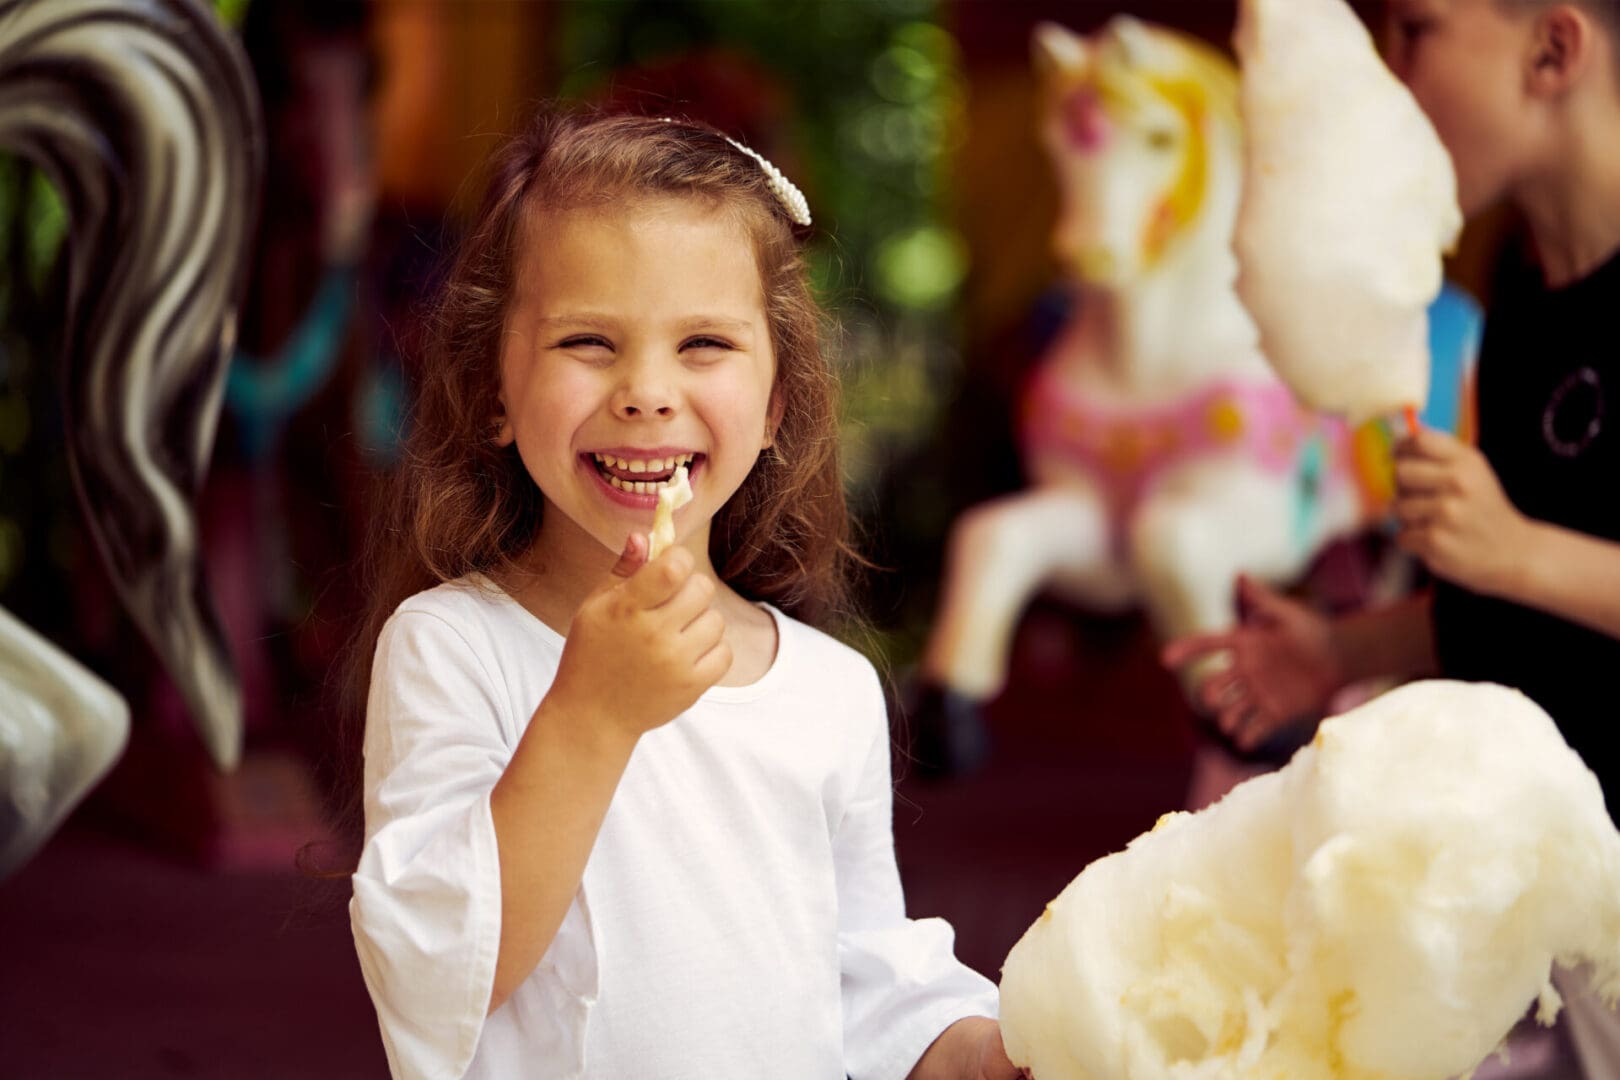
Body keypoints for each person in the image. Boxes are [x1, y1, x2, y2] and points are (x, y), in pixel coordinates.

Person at [346, 109, 1017, 1080]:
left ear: (777, 398)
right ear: (495, 389)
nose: (647, 392)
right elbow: (431, 969)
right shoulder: (453, 647)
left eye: (703, 342)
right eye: (588, 340)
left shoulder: (830, 692)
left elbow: (864, 980)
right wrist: (591, 716)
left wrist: (985, 1052)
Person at [1165, 1, 1620, 1071]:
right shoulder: (1518, 292)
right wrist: (1337, 651)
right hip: (1538, 867)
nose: (1387, 76)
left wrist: (1517, 549)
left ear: (1551, 50)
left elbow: (1521, 564)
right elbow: (1508, 606)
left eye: (1417, 33)